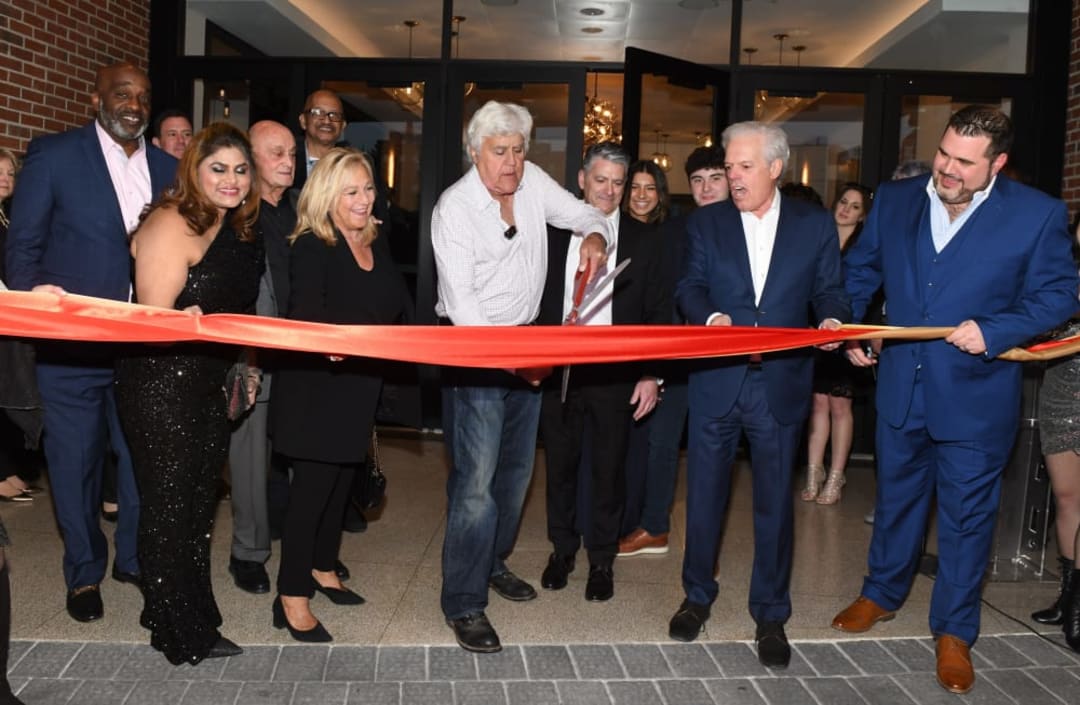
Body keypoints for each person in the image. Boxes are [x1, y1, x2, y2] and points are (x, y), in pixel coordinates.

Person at [832, 105, 1080, 694]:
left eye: (964, 163)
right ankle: (881, 593)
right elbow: (860, 271)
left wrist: (995, 330)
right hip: (900, 388)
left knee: (967, 520)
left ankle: (954, 631)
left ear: (997, 163)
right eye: (943, 154)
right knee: (896, 501)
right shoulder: (896, 200)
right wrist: (850, 324)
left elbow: (1059, 295)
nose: (946, 169)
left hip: (976, 397)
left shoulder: (1037, 214)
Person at [669, 121, 849, 670]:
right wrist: (711, 317)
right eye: (730, 167)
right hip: (718, 379)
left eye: (745, 167)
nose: (734, 177)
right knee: (703, 499)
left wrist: (833, 321)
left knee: (775, 504)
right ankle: (696, 596)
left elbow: (829, 290)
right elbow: (689, 286)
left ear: (775, 167)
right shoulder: (707, 223)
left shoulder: (814, 225)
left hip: (780, 384)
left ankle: (771, 613)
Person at [432, 100, 609, 653]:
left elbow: (586, 214)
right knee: (476, 486)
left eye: (518, 150)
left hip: (527, 345)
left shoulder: (532, 182)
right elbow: (463, 307)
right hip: (478, 354)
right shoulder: (454, 208)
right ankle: (463, 601)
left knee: (514, 476)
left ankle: (490, 563)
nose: (511, 163)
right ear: (474, 151)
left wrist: (596, 236)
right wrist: (517, 360)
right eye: (499, 151)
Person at [5, 62, 177, 623]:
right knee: (74, 464)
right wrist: (33, 296)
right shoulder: (54, 156)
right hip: (71, 348)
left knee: (139, 461)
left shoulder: (169, 168)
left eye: (143, 96)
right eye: (122, 93)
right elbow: (22, 247)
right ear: (96, 97)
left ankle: (133, 558)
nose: (134, 104)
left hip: (143, 350)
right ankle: (83, 572)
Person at [115, 122, 263, 665]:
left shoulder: (238, 227)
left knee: (199, 504)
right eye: (218, 168)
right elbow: (152, 321)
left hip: (207, 382)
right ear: (193, 169)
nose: (231, 180)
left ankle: (184, 608)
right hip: (160, 384)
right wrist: (182, 319)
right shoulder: (170, 222)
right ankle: (176, 629)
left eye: (241, 170)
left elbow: (242, 315)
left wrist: (246, 362)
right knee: (170, 506)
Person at [270, 148, 410, 642]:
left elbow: (395, 303)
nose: (363, 199)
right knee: (311, 493)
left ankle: (323, 566)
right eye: (350, 191)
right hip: (317, 390)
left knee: (340, 487)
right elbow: (307, 313)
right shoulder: (313, 244)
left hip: (358, 386)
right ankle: (290, 593)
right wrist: (339, 340)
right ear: (327, 195)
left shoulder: (374, 238)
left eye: (367, 188)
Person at [538, 142, 668, 602]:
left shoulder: (645, 239)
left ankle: (601, 560)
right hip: (559, 367)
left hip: (616, 370)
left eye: (618, 182)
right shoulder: (552, 233)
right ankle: (562, 550)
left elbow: (658, 311)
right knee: (559, 466)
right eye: (600, 180)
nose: (610, 191)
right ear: (581, 180)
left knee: (609, 470)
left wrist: (651, 373)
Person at [619, 152, 711, 558]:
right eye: (698, 180)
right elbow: (664, 298)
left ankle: (706, 550)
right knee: (661, 442)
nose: (706, 187)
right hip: (678, 357)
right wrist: (655, 367)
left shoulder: (747, 227)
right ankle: (654, 526)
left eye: (715, 178)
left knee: (713, 452)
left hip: (729, 358)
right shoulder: (675, 231)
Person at [225, 120, 296, 595]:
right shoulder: (236, 215)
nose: (288, 162)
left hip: (303, 353)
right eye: (276, 153)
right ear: (251, 159)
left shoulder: (304, 209)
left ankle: (306, 546)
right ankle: (248, 553)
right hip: (253, 353)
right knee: (250, 459)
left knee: (302, 453)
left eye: (291, 153)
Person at [803, 183, 874, 505]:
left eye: (855, 206)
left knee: (840, 406)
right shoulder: (820, 237)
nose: (845, 209)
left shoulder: (864, 247)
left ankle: (836, 476)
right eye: (843, 201)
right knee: (818, 404)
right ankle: (813, 472)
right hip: (818, 331)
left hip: (848, 332)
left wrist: (852, 336)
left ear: (863, 216)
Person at [294, 89, 347, 192]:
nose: (327, 121)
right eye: (318, 113)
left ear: (343, 126)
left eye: (334, 115)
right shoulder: (286, 162)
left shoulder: (352, 165)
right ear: (303, 121)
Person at [624, 160, 669, 225]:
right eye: (634, 187)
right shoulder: (612, 228)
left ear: (660, 194)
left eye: (650, 188)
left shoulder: (670, 229)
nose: (641, 195)